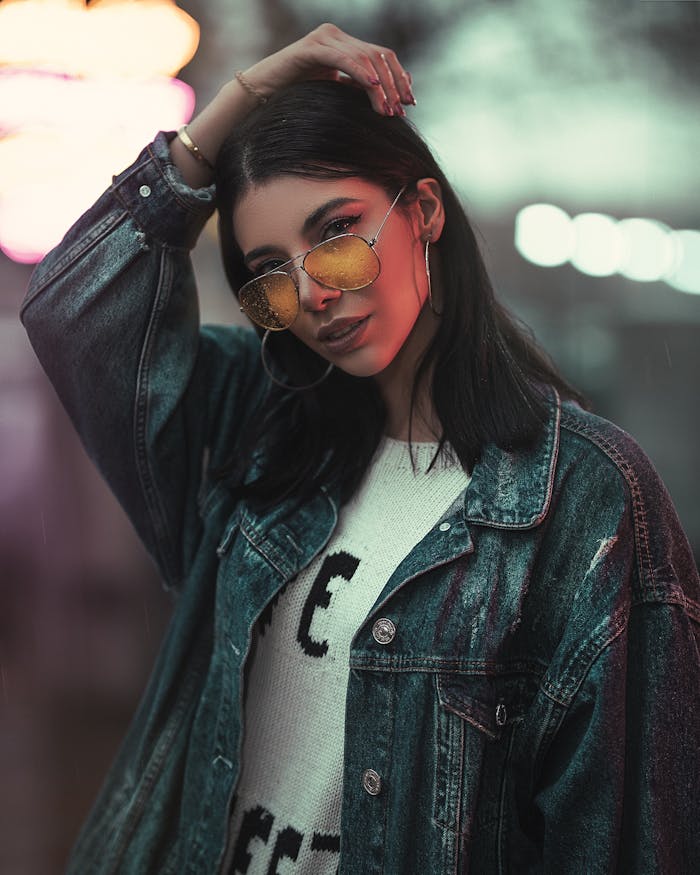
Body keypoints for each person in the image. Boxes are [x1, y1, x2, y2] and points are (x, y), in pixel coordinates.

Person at [20, 22, 699, 875]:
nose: (313, 295)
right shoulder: (257, 425)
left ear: (422, 211)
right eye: (272, 271)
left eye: (337, 232)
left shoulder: (586, 502)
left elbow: (628, 841)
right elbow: (74, 310)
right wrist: (241, 101)